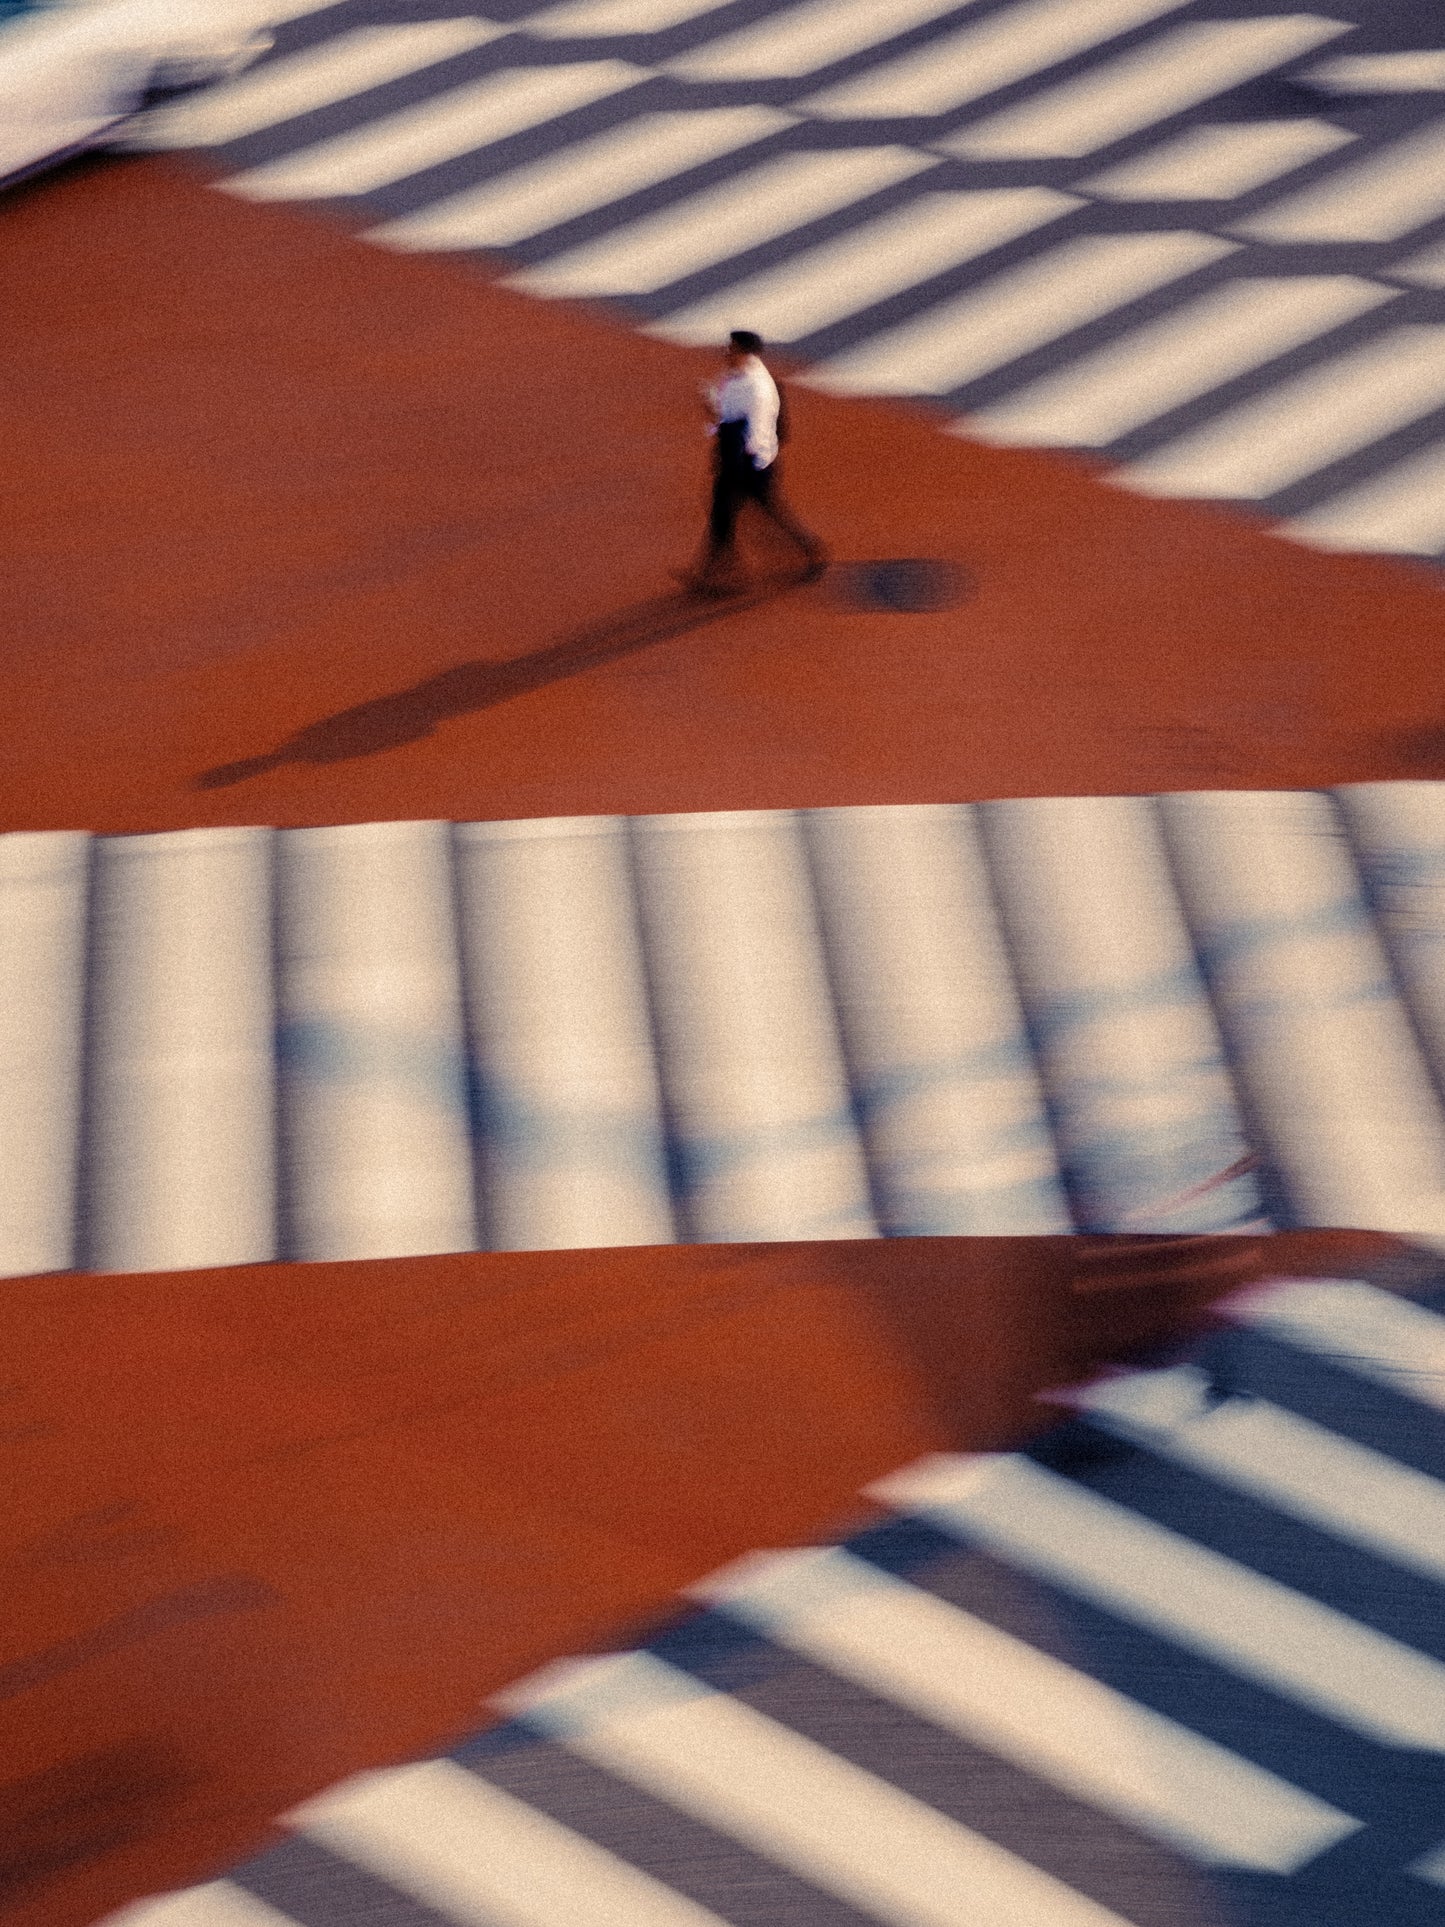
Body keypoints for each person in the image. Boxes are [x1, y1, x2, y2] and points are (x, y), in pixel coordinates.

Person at [677, 329, 827, 596]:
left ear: (746, 354)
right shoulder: (732, 378)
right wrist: (713, 411)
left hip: (751, 465)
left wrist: (734, 464)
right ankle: (719, 568)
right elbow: (723, 420)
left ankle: (807, 551)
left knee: (733, 512)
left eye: (732, 349)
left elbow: (753, 435)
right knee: (725, 513)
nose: (726, 352)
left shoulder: (756, 389)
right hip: (736, 459)